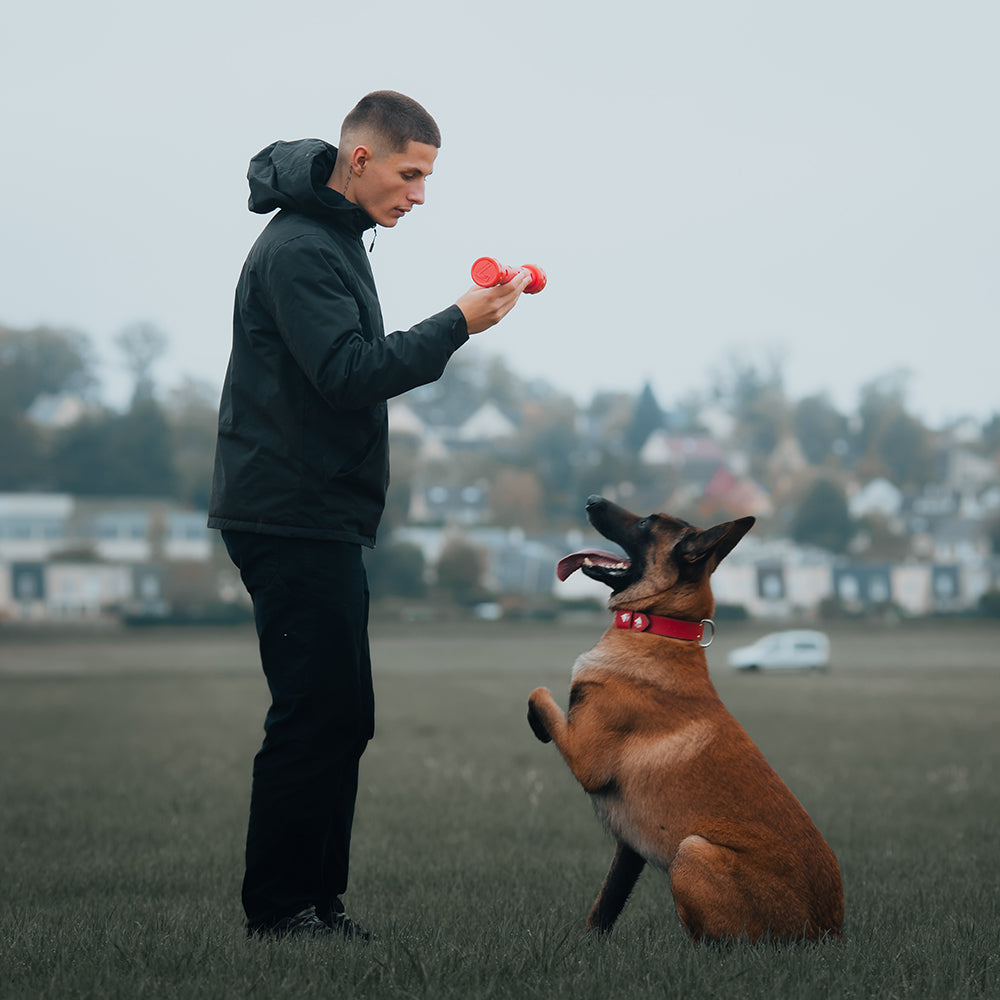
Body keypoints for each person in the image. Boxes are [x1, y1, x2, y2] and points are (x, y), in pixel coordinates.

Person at [207, 91, 530, 939]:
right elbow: (349, 374)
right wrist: (458, 322)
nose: (420, 194)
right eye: (410, 173)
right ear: (360, 160)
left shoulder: (335, 237)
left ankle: (317, 903)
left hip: (319, 514)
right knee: (313, 714)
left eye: (427, 176)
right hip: (288, 514)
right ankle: (279, 913)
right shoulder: (302, 249)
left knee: (344, 716)